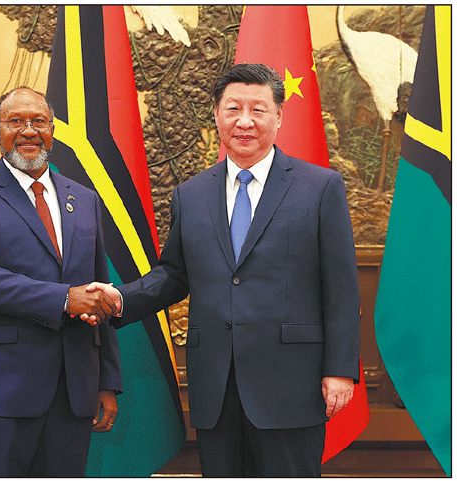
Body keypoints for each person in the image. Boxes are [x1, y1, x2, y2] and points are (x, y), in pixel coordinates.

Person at [86, 64, 360, 477]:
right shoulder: (191, 194)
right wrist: (121, 298)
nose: (244, 121)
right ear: (216, 114)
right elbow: (175, 274)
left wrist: (339, 370)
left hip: (291, 382)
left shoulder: (320, 187)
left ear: (279, 116)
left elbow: (340, 287)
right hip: (216, 382)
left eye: (258, 109)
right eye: (233, 108)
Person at [0, 86, 122, 477]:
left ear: (53, 129)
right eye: (16, 122)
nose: (28, 131)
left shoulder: (85, 199)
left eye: (38, 121)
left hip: (74, 391)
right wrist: (64, 299)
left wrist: (106, 380)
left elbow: (97, 290)